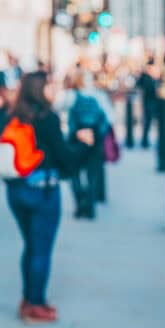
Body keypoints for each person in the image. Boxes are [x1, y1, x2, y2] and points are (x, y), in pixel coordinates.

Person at [4, 71, 92, 323]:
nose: (55, 91)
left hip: (16, 191)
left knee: (30, 246)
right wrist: (83, 144)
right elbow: (66, 159)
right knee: (41, 249)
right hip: (42, 193)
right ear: (39, 90)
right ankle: (35, 304)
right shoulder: (47, 119)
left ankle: (28, 298)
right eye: (50, 87)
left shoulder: (11, 115)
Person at [65, 71, 109, 219]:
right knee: (92, 176)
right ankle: (90, 206)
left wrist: (77, 133)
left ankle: (80, 203)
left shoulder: (70, 96)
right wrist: (97, 136)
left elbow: (65, 118)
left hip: (76, 141)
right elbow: (108, 119)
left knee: (74, 174)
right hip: (95, 141)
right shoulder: (100, 96)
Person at [136, 57, 157, 148]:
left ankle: (146, 141)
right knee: (147, 122)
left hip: (153, 102)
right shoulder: (145, 77)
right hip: (148, 102)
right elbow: (138, 87)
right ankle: (145, 141)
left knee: (150, 122)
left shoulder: (153, 78)